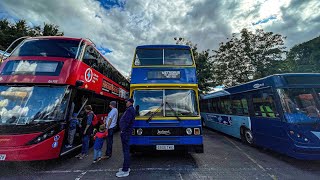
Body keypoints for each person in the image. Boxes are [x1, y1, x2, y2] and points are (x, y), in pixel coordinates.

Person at [116, 98, 135, 178]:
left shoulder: (130, 110)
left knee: (126, 151)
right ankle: (125, 167)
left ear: (130, 102)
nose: (125, 103)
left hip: (126, 132)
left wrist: (123, 130)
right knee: (125, 150)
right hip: (126, 132)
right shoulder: (130, 109)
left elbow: (127, 121)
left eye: (126, 102)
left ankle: (125, 170)